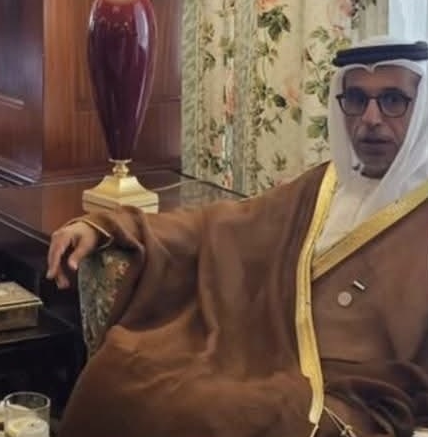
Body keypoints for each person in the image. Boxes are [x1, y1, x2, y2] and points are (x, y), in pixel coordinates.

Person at [47, 36, 428, 437]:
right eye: (356, 99)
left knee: (225, 414)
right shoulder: (327, 183)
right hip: (262, 344)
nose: (370, 118)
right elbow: (221, 224)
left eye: (393, 100)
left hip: (350, 387)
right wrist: (108, 226)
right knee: (122, 369)